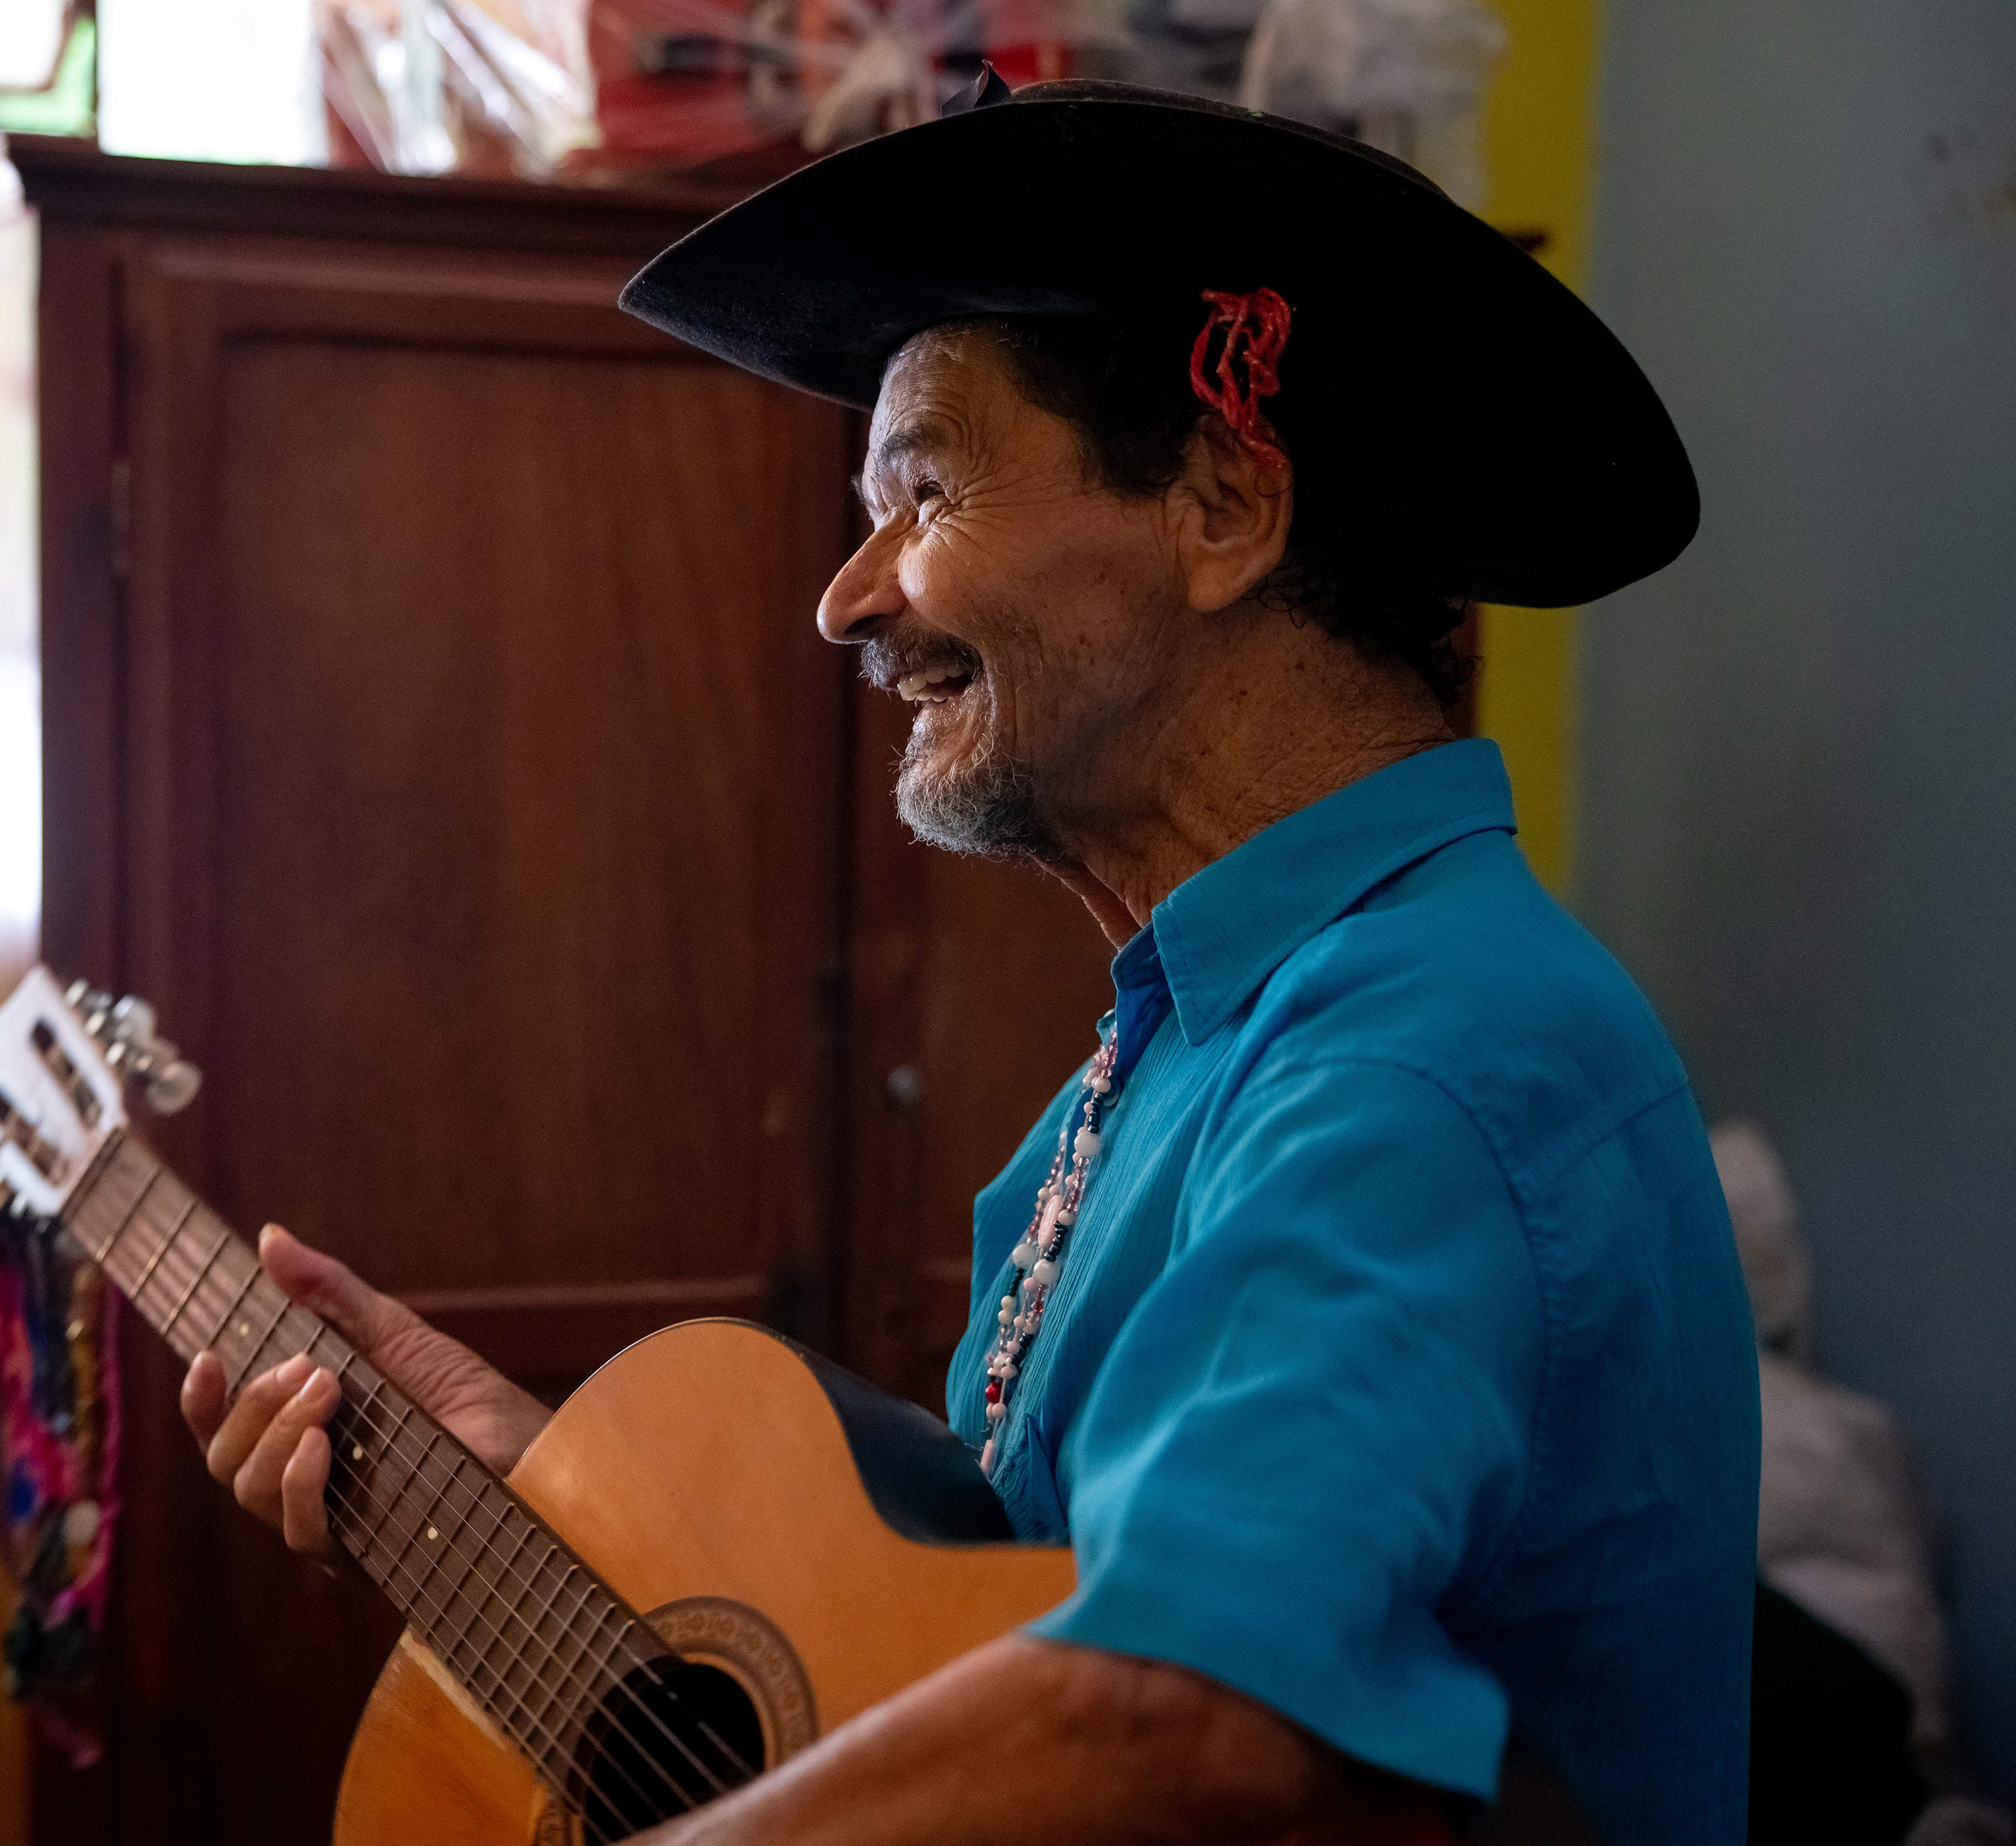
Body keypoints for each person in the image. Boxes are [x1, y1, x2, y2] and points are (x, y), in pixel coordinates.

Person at [180, 78, 1759, 1845]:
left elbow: (1189, 1713)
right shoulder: (1211, 1036)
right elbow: (1006, 1648)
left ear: (1224, 503)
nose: (850, 598)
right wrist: (550, 1514)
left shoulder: (1421, 1059)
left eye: (921, 490)